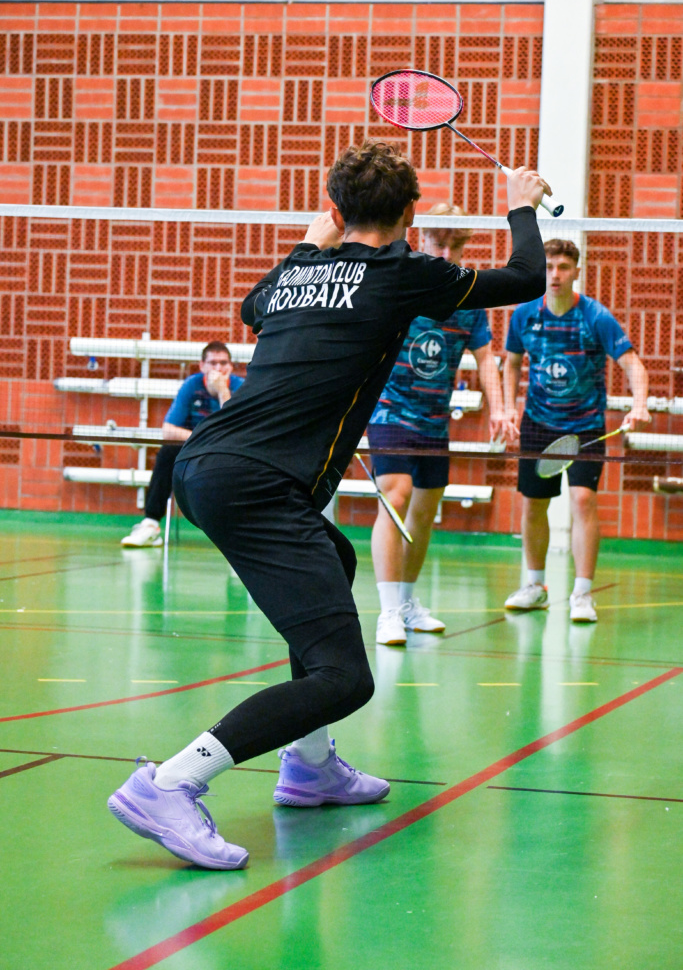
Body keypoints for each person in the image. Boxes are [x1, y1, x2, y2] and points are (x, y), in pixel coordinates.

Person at [108, 140, 550, 871]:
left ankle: (309, 767)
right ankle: (169, 784)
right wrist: (520, 204)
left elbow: (252, 308)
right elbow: (527, 276)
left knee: (336, 558)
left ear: (336, 211)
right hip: (255, 483)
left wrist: (313, 242)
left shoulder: (298, 271)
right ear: (409, 215)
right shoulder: (402, 273)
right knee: (344, 678)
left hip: (209, 465)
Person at [368, 204, 515, 646]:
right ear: (423, 238)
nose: (446, 253)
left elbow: (485, 358)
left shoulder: (467, 298)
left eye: (455, 245)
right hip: (390, 411)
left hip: (434, 421)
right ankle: (388, 612)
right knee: (395, 497)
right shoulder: (401, 283)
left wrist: (500, 407)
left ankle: (407, 603)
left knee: (424, 511)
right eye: (439, 242)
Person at [503, 238, 651, 623]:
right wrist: (507, 407)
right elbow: (511, 363)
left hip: (586, 426)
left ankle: (582, 593)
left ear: (576, 272)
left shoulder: (595, 317)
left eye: (563, 267)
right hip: (538, 422)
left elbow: (632, 364)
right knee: (534, 504)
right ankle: (535, 586)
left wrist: (639, 404)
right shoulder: (525, 315)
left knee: (583, 500)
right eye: (549, 267)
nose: (555, 274)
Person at [120, 343, 243, 547]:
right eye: (213, 363)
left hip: (228, 452)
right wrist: (206, 439)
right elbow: (168, 430)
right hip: (196, 449)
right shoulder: (191, 385)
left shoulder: (240, 387)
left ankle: (241, 532)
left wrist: (223, 391)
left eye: (223, 363)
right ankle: (150, 525)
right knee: (168, 451)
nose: (218, 368)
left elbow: (234, 431)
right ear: (202, 366)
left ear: (230, 367)